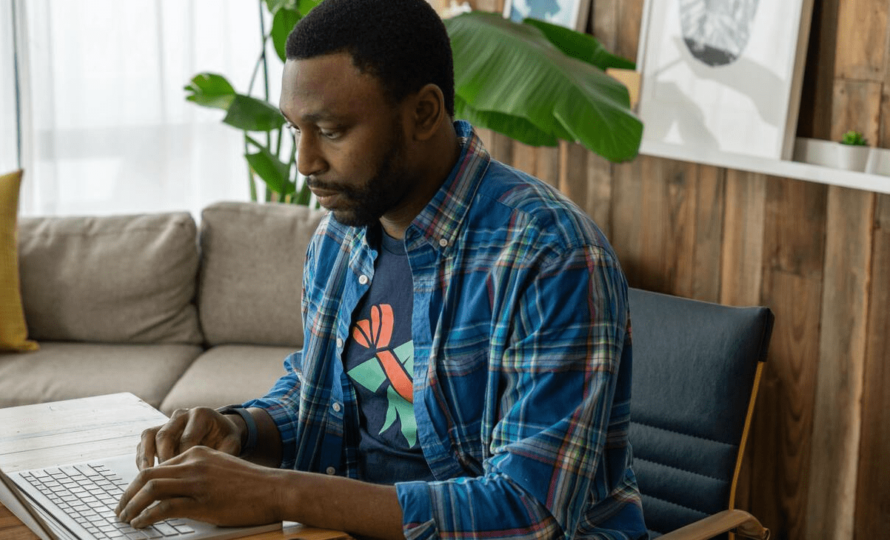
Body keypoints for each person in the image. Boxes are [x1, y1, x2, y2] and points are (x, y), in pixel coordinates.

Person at [115, 0, 646, 538]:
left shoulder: (551, 256)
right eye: (295, 127)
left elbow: (529, 513)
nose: (304, 161)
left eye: (331, 129)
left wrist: (275, 492)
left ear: (423, 112)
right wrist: (240, 429)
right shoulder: (340, 235)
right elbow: (323, 397)